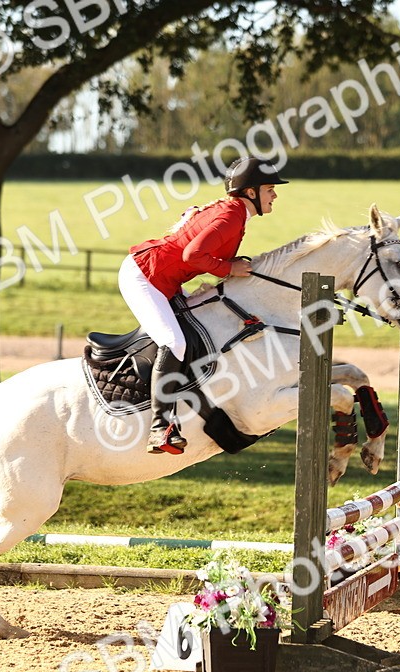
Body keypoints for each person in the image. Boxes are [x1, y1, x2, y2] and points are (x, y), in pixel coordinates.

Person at [120, 155, 288, 455]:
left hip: (164, 279)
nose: (275, 194)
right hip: (145, 277)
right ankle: (160, 428)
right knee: (174, 343)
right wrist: (229, 270)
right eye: (269, 188)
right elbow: (193, 255)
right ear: (251, 192)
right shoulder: (231, 216)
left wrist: (228, 265)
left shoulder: (234, 212)